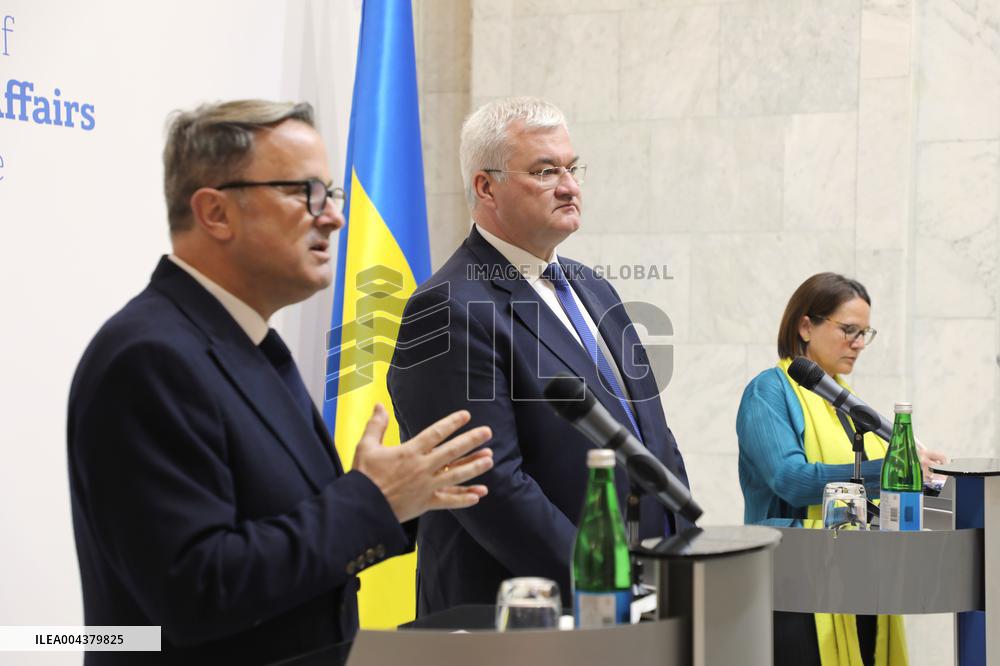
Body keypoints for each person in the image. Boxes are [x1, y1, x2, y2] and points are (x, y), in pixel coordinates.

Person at [67, 100, 495, 664]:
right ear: (215, 212)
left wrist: (400, 500)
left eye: (332, 194)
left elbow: (289, 523)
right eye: (304, 193)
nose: (333, 217)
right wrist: (372, 500)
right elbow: (199, 589)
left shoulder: (250, 342)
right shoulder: (148, 358)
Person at [387, 97, 690, 616]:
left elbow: (651, 435)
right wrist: (603, 581)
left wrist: (683, 552)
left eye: (572, 168)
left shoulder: (594, 289)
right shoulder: (447, 307)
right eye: (546, 171)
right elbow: (488, 482)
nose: (570, 187)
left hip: (643, 593)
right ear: (486, 186)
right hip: (526, 610)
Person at [736, 272, 945, 666]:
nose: (859, 344)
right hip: (795, 588)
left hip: (860, 580)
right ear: (805, 325)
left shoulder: (848, 405)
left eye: (866, 333)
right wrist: (890, 469)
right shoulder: (769, 391)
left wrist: (929, 482)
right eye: (849, 330)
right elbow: (790, 481)